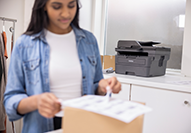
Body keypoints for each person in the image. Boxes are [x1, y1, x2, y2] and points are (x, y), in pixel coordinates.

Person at [3, 0, 121, 133]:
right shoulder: (24, 44)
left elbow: (95, 87)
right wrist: (36, 102)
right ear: (44, 6)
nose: (66, 13)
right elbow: (10, 102)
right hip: (41, 127)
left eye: (71, 5)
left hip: (83, 125)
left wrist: (103, 86)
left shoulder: (89, 41)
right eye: (57, 6)